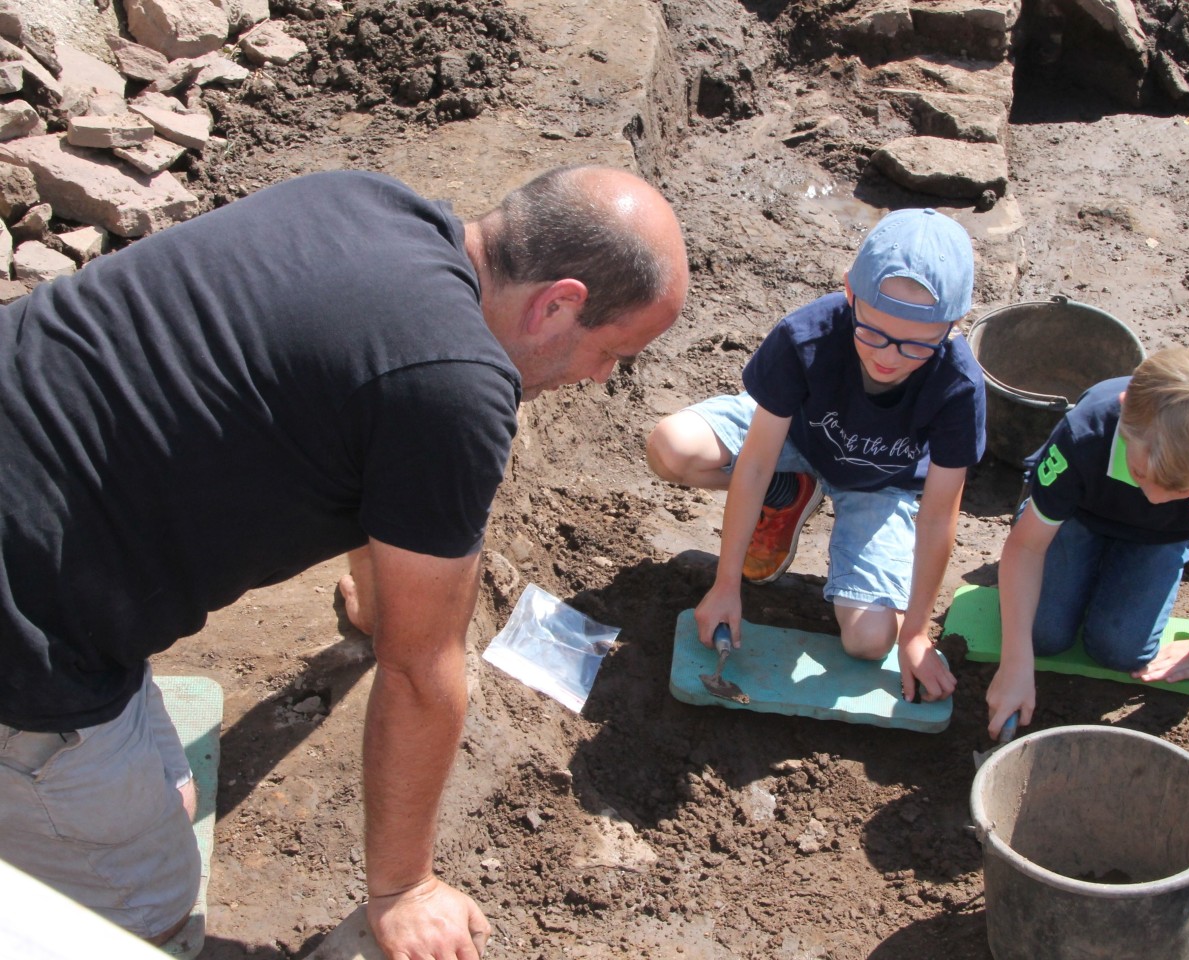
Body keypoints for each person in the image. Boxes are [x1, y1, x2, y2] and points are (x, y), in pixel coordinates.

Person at [0, 165, 688, 960]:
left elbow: (361, 425)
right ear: (559, 304)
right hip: (28, 634)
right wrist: (404, 888)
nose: (601, 378)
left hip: (42, 502)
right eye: (613, 351)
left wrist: (374, 594)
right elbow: (420, 669)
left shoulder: (367, 203)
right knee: (143, 909)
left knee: (172, 794)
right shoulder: (458, 389)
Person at [646, 207, 986, 703]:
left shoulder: (959, 385)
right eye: (873, 333)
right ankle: (791, 493)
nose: (889, 357)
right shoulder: (807, 336)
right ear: (850, 294)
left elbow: (938, 517)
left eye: (915, 346)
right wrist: (725, 585)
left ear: (952, 325)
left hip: (881, 484)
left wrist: (915, 634)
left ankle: (813, 508)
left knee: (870, 641)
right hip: (796, 440)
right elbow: (758, 459)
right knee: (672, 448)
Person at [984, 346, 1189, 739]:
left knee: (1121, 650)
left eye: (1180, 489)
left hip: (1164, 535)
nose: (1155, 498)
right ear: (1125, 413)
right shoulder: (1088, 431)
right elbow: (1027, 548)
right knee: (1043, 635)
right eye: (1140, 474)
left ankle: (1174, 555)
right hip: (1076, 518)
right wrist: (1015, 662)